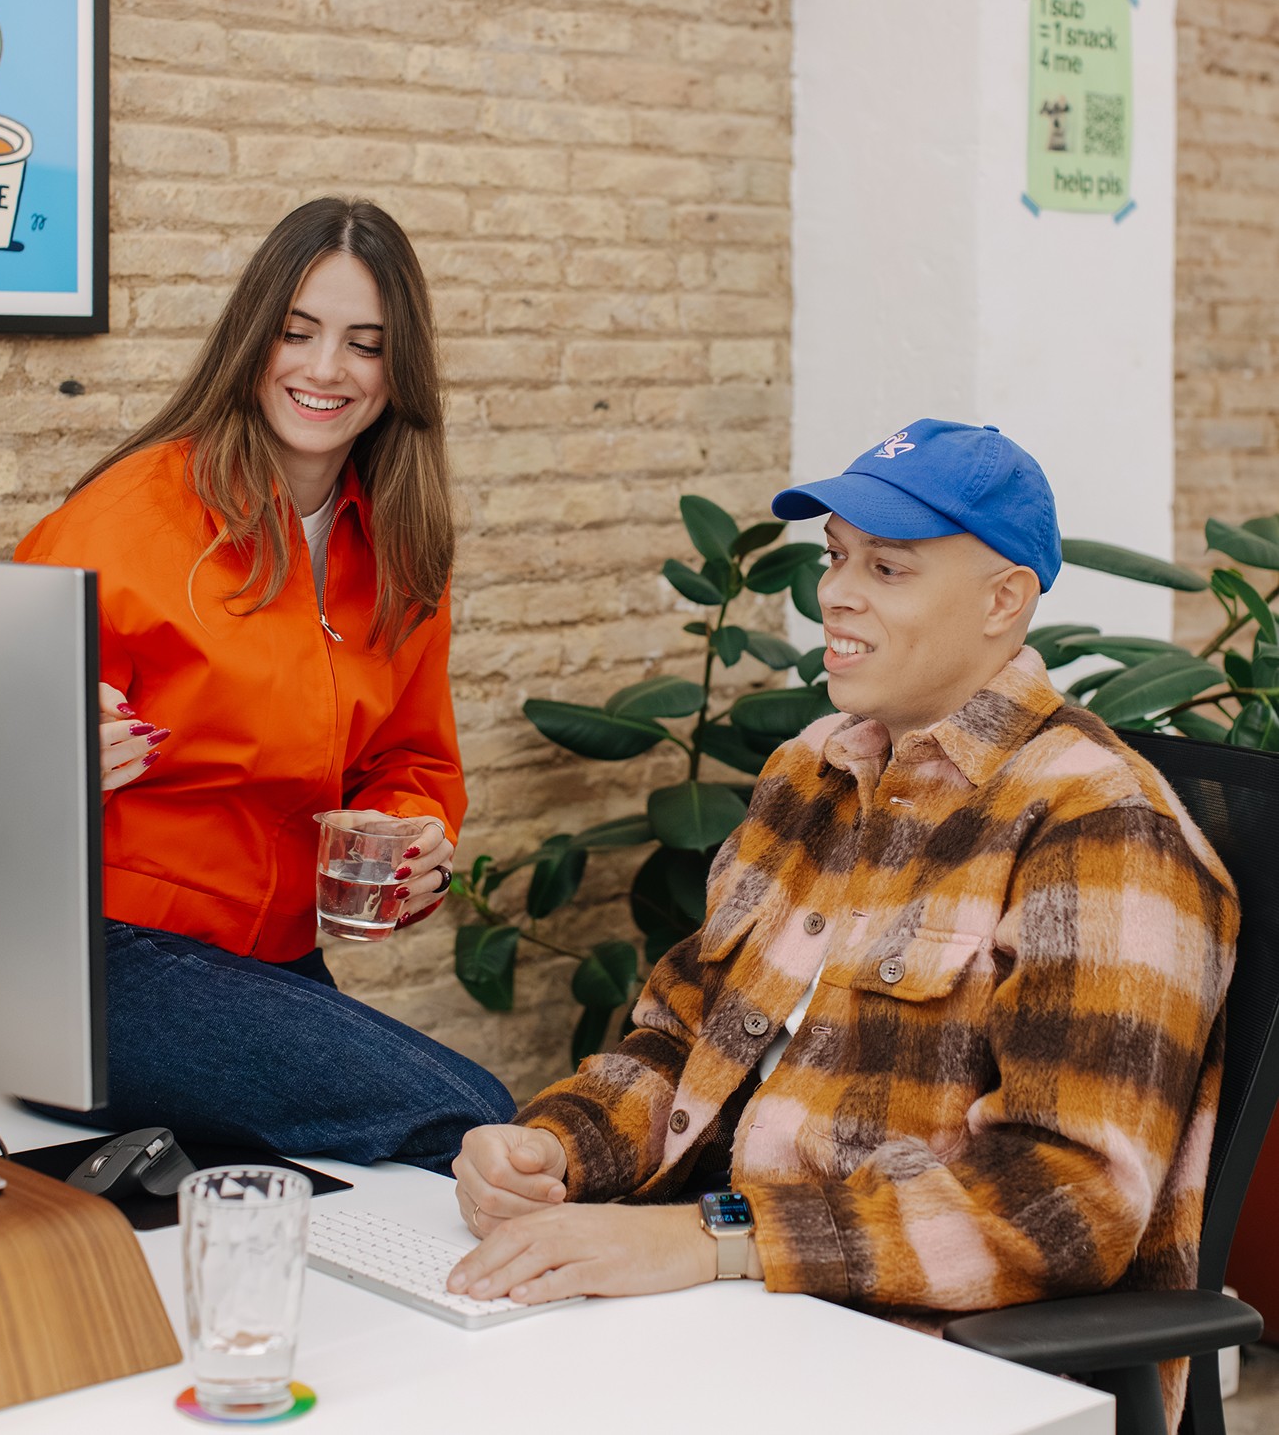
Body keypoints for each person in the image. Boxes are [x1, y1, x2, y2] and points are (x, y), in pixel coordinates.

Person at [448, 418, 1237, 1427]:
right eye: (833, 557)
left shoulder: (1101, 826)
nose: (833, 593)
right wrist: (554, 1150)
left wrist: (716, 1237)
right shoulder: (811, 770)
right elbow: (683, 1032)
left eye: (887, 568)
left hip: (926, 1364)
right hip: (735, 1315)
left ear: (1004, 601)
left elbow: (1064, 1202)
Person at [15, 197, 514, 1169]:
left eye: (364, 345)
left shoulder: (403, 549)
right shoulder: (121, 522)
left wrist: (416, 838)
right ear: (251, 340)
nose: (326, 369)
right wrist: (50, 751)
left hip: (269, 959)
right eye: (297, 333)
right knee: (471, 1113)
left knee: (409, 1145)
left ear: (396, 369)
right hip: (96, 962)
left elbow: (410, 760)